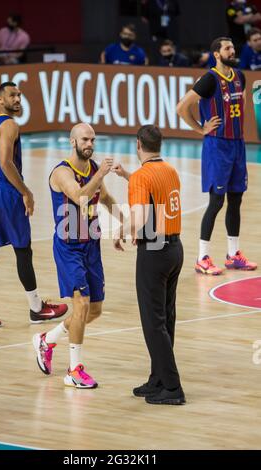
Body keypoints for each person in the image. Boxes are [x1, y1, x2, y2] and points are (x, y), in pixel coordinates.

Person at [0, 82, 68, 330]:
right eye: (12, 95)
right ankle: (37, 309)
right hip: (6, 192)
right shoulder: (10, 124)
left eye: (19, 95)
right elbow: (6, 163)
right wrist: (25, 191)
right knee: (23, 249)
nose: (18, 99)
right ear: (0, 100)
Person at [33, 123, 120, 389]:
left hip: (91, 245)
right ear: (73, 142)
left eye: (92, 139)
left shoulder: (93, 169)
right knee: (80, 306)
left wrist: (124, 224)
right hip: (69, 247)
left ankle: (47, 340)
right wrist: (102, 173)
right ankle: (74, 370)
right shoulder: (61, 172)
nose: (89, 143)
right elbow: (81, 196)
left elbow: (103, 197)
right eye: (85, 139)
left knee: (94, 310)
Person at [113, 125, 185, 406]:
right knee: (166, 318)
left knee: (153, 322)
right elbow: (154, 192)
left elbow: (140, 217)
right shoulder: (169, 170)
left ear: (137, 145)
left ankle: (173, 387)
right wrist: (127, 176)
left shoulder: (142, 178)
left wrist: (120, 230)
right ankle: (158, 378)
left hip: (154, 252)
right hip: (174, 249)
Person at [177, 37, 257, 275]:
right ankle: (202, 257)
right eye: (227, 48)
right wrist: (201, 128)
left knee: (236, 199)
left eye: (233, 47)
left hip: (238, 145)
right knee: (216, 202)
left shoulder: (240, 76)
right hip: (217, 147)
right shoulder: (210, 79)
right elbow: (182, 107)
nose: (232, 51)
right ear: (216, 54)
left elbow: (239, 104)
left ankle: (233, 255)